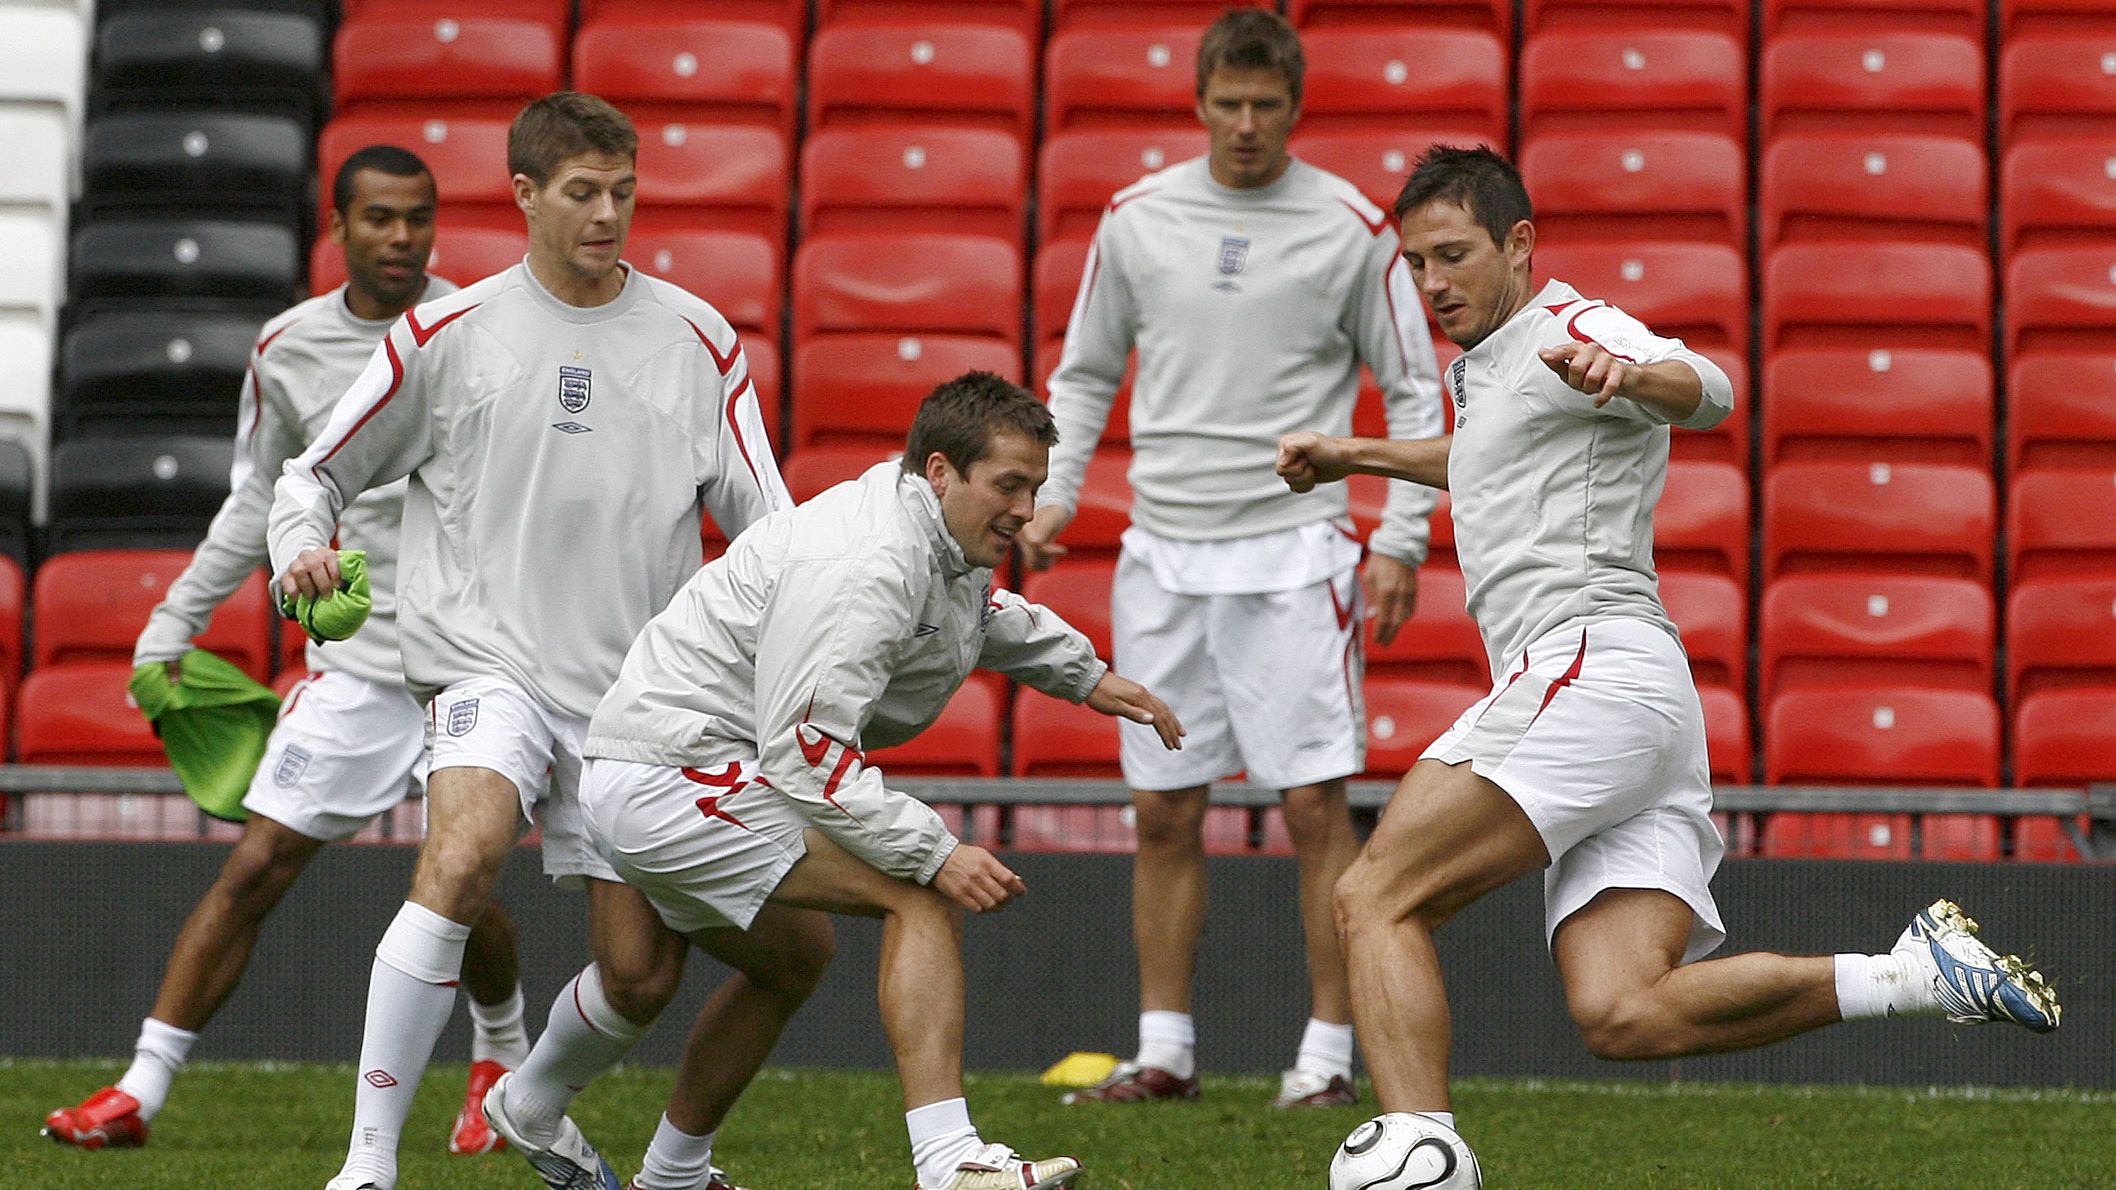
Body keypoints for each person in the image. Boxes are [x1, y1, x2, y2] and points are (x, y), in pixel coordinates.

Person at [1275, 144, 2060, 1150]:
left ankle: (1419, 1153)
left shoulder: (1571, 326)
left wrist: (1635, 371)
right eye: (1418, 263)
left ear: (1518, 243)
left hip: (1583, 668)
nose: (1433, 282)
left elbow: (1710, 386)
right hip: (1642, 703)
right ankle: (1912, 974)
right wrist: (1354, 453)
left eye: (1453, 255)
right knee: (1625, 1010)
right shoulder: (1498, 369)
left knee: (1373, 894)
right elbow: (1484, 455)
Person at [476, 373, 1185, 1190]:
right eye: (1010, 485)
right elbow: (808, 755)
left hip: (663, 763)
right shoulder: (867, 562)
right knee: (920, 892)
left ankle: (611, 1145)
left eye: (1035, 487)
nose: (1028, 510)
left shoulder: (928, 530)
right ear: (942, 472)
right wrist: (938, 851)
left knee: (789, 960)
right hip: (673, 774)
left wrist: (1088, 678)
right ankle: (950, 1162)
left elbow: (972, 616)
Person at [267, 94, 794, 1190]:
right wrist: (301, 549)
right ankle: (367, 1163)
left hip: (637, 697)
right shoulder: (444, 336)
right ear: (523, 194)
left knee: (639, 975)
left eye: (623, 192)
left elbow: (770, 528)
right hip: (484, 661)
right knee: (462, 854)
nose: (608, 214)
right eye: (582, 192)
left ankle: (527, 1096)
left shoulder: (698, 338)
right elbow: (312, 476)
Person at [41, 146, 530, 1158]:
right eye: (381, 217)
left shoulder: (478, 328)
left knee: (461, 873)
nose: (403, 237)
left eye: (419, 217)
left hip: (469, 660)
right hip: (355, 668)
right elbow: (257, 498)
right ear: (337, 227)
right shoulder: (287, 347)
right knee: (257, 863)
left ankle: (499, 1058)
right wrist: (172, 622)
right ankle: (140, 1089)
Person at [1020, 9, 1446, 1110]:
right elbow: (1084, 373)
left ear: (1294, 107)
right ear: (1199, 102)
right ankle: (1164, 1049)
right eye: (1229, 104)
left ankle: (1326, 1057)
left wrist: (1400, 539)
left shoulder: (1353, 227)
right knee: (1163, 809)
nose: (1246, 124)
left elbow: (1413, 392)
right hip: (1161, 550)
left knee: (1312, 809)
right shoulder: (1136, 218)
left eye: (1265, 105)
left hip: (1297, 555)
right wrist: (1054, 492)